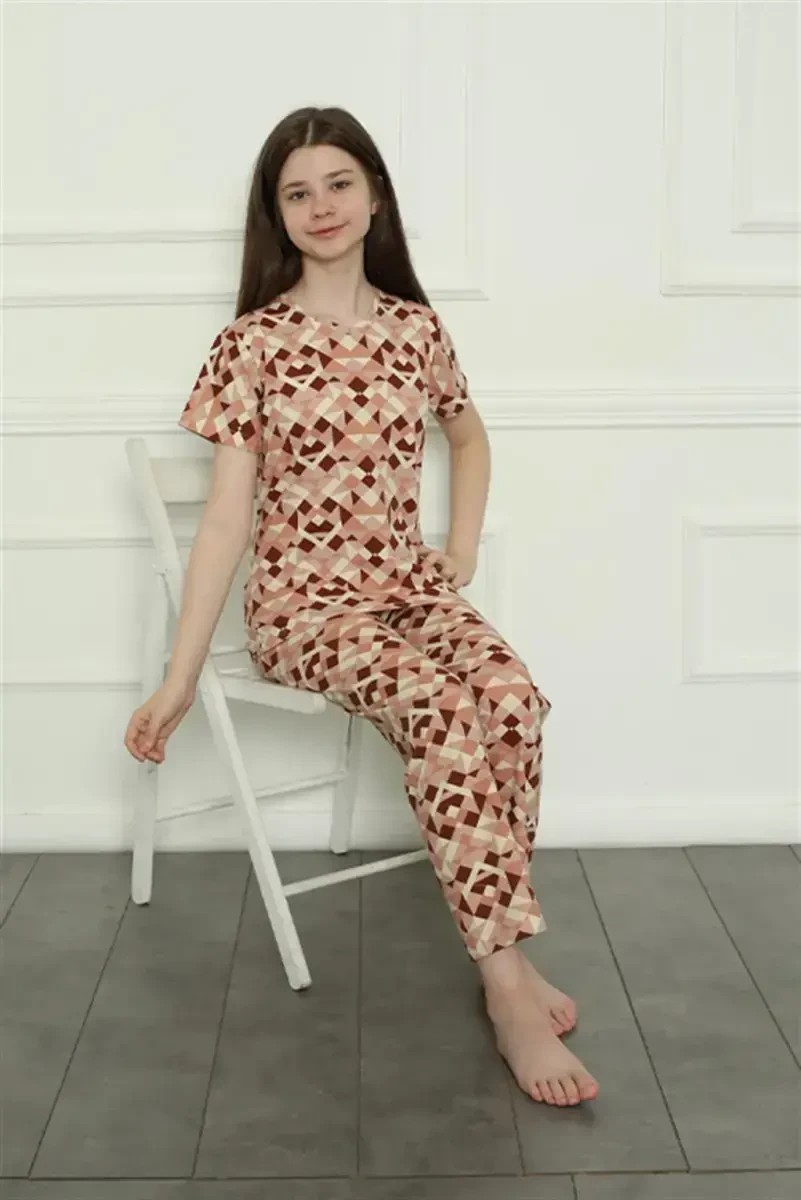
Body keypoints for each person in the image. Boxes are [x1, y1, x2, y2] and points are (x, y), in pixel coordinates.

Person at [123, 106, 598, 1107]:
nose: (322, 206)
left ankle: (504, 947)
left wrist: (459, 546)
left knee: (512, 697)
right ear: (278, 215)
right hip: (305, 610)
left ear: (375, 194)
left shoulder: (416, 330)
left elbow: (468, 435)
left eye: (338, 183)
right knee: (441, 708)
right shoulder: (252, 343)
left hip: (406, 587)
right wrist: (177, 679)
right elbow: (225, 521)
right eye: (297, 192)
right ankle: (506, 987)